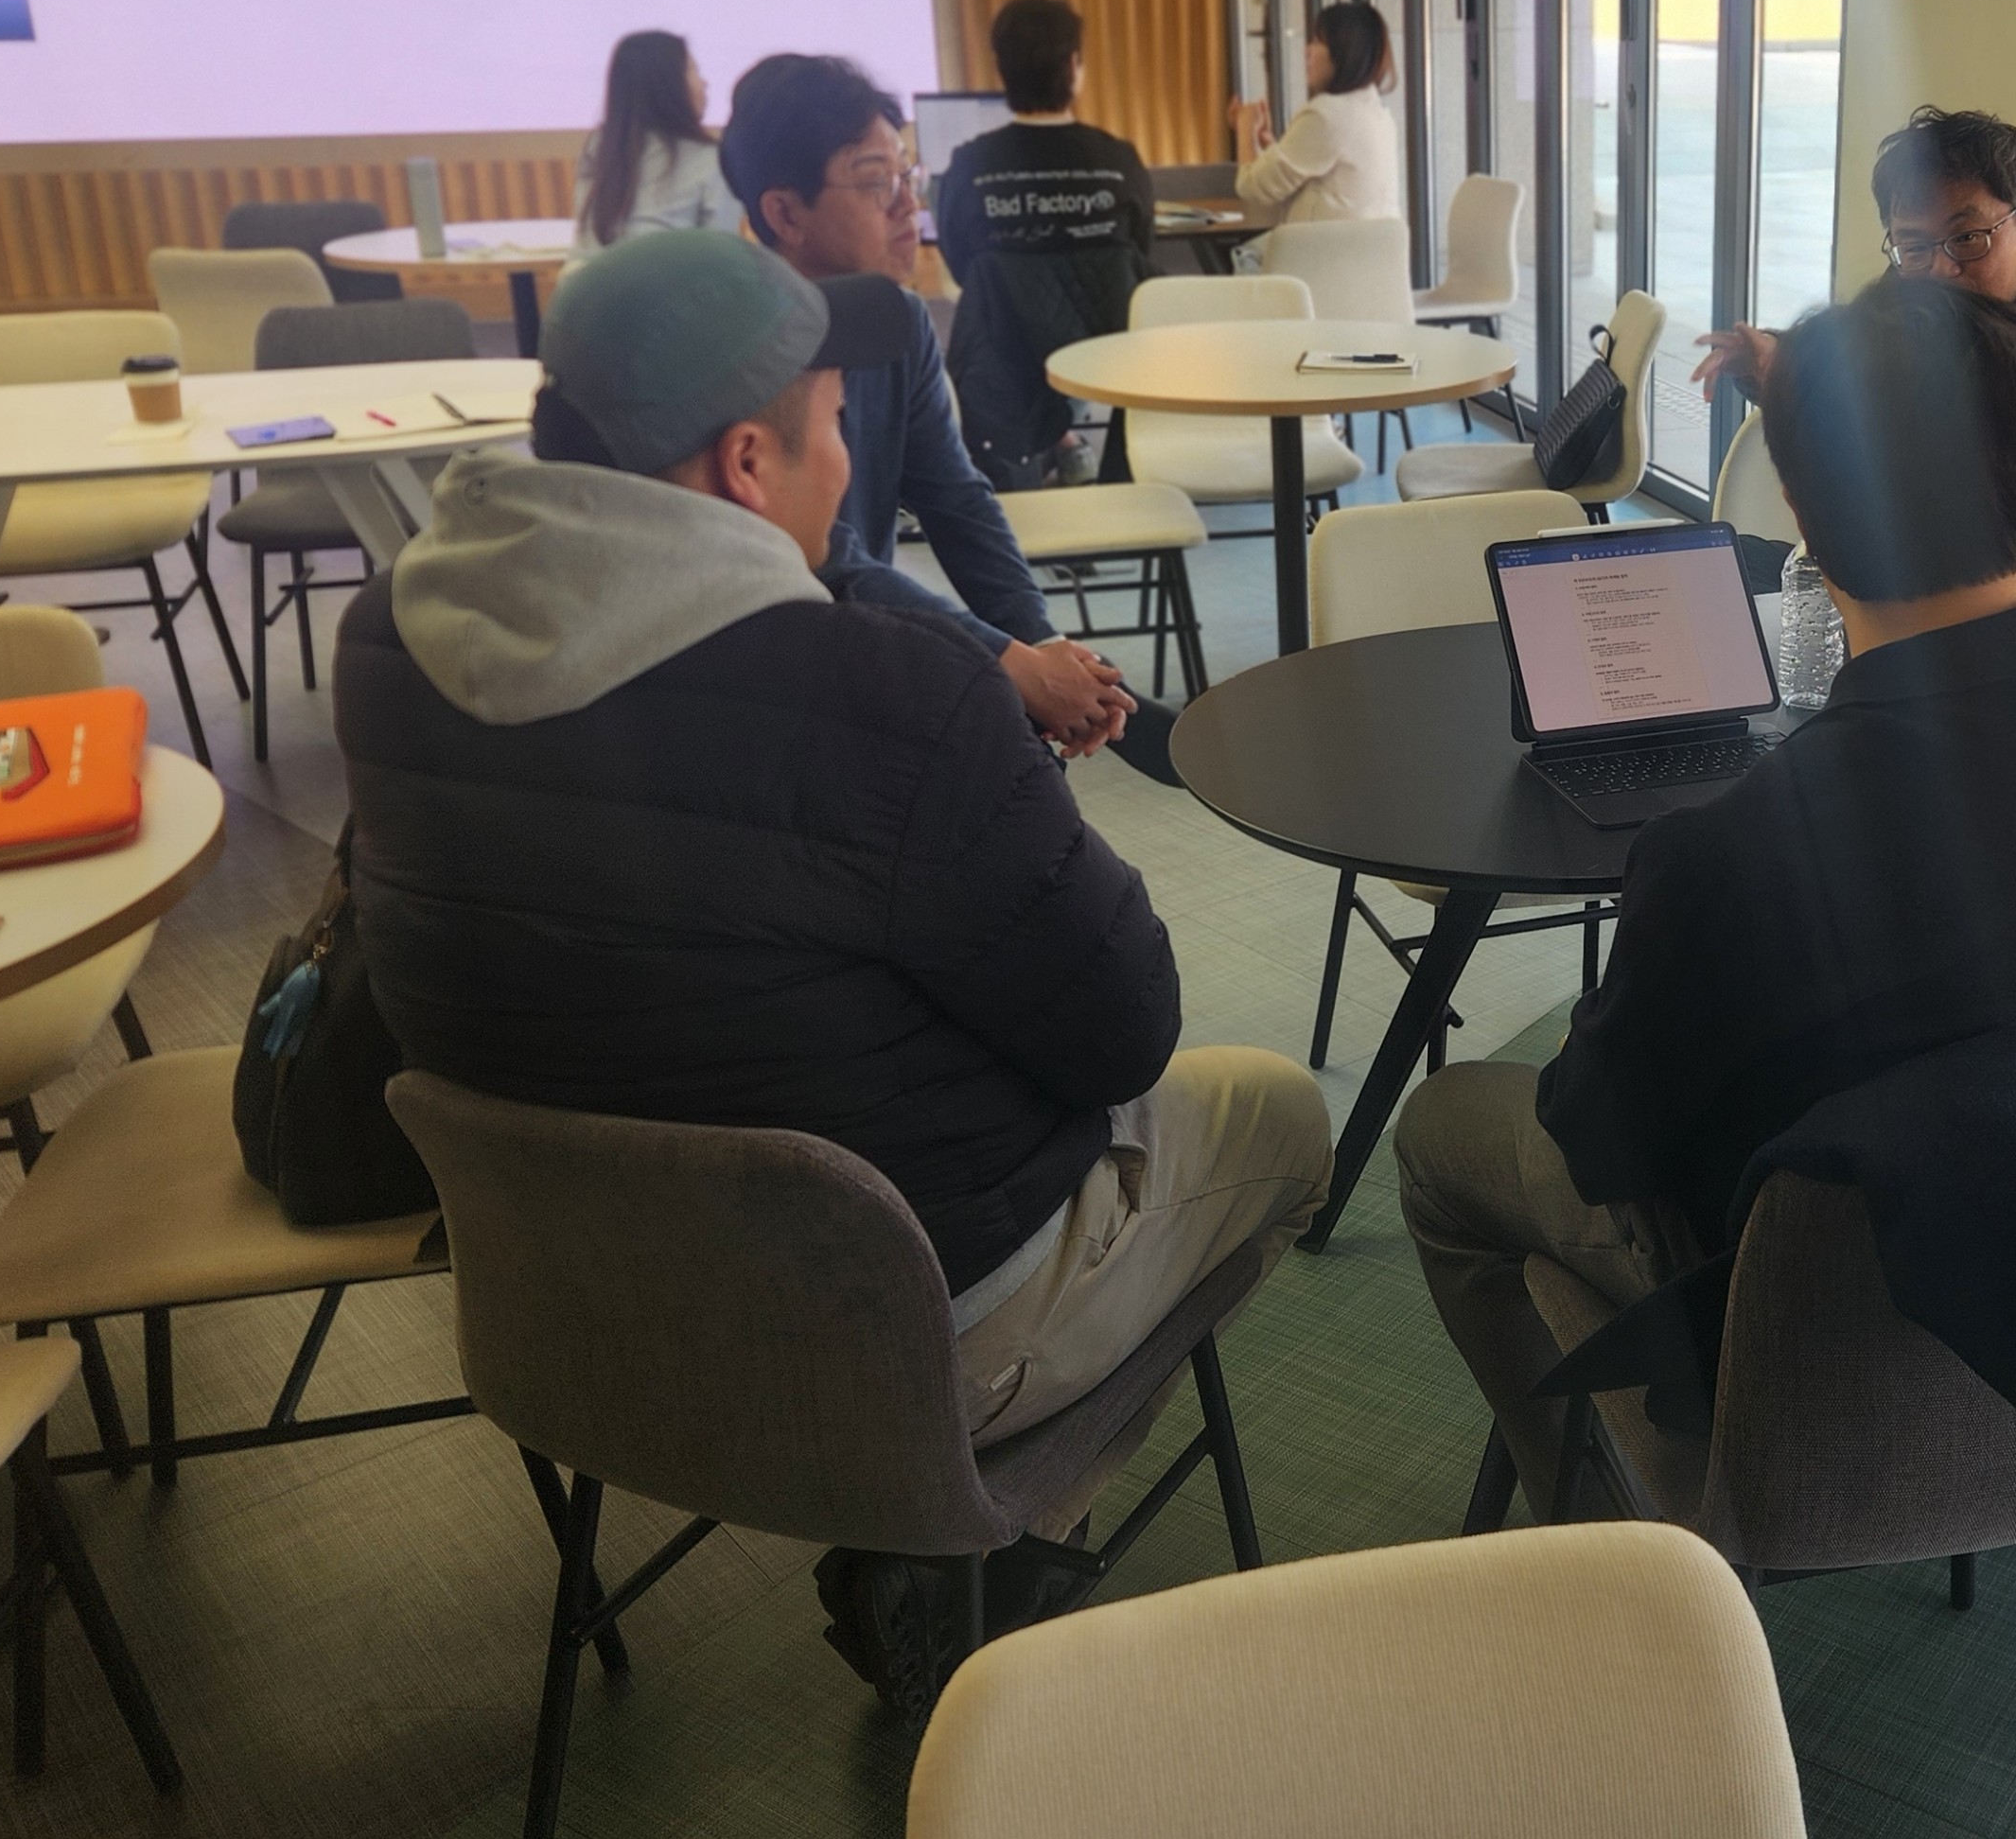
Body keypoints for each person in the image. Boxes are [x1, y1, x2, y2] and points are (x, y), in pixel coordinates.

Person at [333, 228, 1330, 1705]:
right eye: (834, 431)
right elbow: (1126, 1030)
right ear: (748, 463)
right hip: (898, 1337)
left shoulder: (385, 641)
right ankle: (978, 1529)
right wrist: (1009, 782)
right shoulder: (893, 698)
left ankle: (939, 1536)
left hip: (566, 1323)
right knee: (1281, 1117)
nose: (850, 468)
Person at [1396, 273, 2016, 1514]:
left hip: (1809, 1356)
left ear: (1805, 516)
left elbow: (1602, 1142)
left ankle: (1606, 1537)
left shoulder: (1726, 854)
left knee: (1441, 1134)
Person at [720, 50, 1143, 764]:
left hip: (865, 644)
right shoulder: (743, 342)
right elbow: (824, 558)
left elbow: (955, 498)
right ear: (786, 213)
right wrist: (1008, 660)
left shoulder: (897, 321)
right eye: (874, 182)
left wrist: (1038, 640)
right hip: (762, 671)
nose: (906, 208)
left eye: (906, 177)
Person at [1697, 105, 2016, 610]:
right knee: (1719, 566)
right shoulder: (1924, 277)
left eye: (1968, 238)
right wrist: (1779, 362)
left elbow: (1959, 514)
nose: (1943, 270)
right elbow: (1858, 361)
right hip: (1945, 584)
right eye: (1914, 246)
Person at [935, 0, 1156, 489]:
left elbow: (964, 264)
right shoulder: (1118, 160)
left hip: (1003, 353)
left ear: (1001, 69)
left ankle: (1052, 445)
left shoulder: (969, 165)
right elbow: (1139, 253)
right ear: (1074, 66)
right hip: (1111, 348)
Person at [1229, 0, 1404, 223]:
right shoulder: (1379, 115)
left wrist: (1244, 129)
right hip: (1370, 247)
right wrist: (1271, 147)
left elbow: (1252, 189)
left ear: (1344, 53)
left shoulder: (1326, 115)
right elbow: (1315, 182)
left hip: (1323, 246)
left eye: (1317, 42)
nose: (1306, 51)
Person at [573, 28, 740, 245]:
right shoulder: (712, 157)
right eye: (695, 71)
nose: (705, 83)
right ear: (670, 85)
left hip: (586, 267)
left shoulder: (600, 146)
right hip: (676, 268)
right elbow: (722, 248)